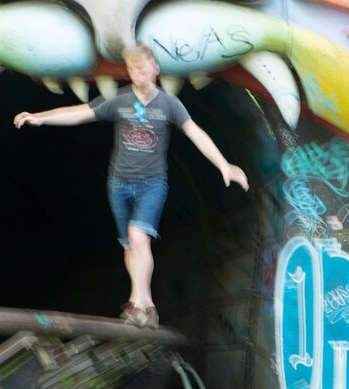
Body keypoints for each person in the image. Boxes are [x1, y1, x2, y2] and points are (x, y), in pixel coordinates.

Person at [13, 44, 249, 329]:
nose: (139, 73)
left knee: (139, 237)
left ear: (155, 69)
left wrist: (224, 165)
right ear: (129, 72)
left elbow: (195, 133)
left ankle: (137, 301)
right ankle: (147, 304)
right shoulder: (120, 101)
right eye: (133, 69)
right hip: (119, 184)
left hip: (152, 184)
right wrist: (41, 118)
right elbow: (80, 113)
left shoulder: (169, 104)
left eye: (144, 67)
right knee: (128, 243)